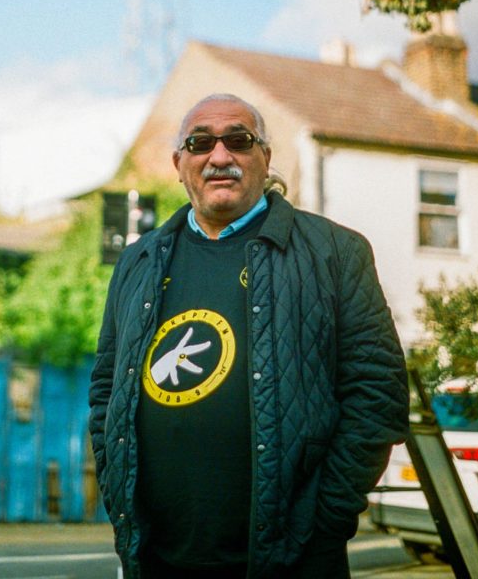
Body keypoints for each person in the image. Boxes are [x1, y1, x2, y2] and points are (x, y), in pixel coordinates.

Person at [89, 93, 409, 579]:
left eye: (238, 140)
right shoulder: (138, 261)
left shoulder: (335, 253)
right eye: (200, 143)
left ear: (265, 157)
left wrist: (322, 522)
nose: (220, 156)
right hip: (156, 557)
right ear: (180, 164)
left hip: (291, 559)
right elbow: (106, 392)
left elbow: (377, 394)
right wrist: (118, 500)